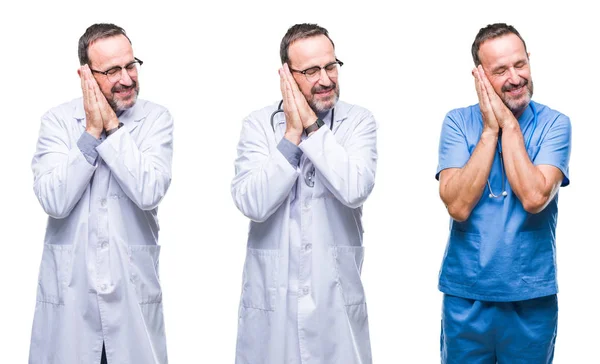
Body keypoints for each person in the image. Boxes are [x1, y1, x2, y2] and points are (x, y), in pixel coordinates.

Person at [231, 23, 378, 364]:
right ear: (286, 74)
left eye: (331, 66)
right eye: (311, 71)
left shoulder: (358, 122)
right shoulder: (258, 125)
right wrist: (293, 134)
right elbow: (252, 202)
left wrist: (312, 127)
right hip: (273, 303)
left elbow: (355, 187)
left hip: (334, 304)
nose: (326, 79)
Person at [29, 23, 173, 364]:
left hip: (131, 299)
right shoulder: (58, 122)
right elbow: (54, 201)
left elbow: (148, 189)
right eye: (112, 71)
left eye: (130, 65)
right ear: (86, 76)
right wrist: (92, 132)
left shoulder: (155, 119)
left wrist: (112, 126)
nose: (126, 78)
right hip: (71, 303)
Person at [436, 23, 571, 363]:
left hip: (531, 298)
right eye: (500, 70)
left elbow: (535, 197)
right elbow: (457, 205)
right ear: (480, 77)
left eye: (520, 64)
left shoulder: (555, 124)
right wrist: (489, 130)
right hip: (466, 297)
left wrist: (509, 125)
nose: (515, 77)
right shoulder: (457, 122)